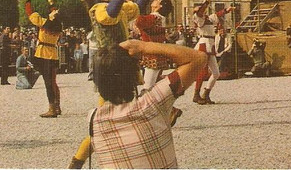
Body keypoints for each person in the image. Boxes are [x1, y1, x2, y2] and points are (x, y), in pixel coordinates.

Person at [70, 0, 162, 169]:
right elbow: (111, 13)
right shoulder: (98, 9)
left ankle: (80, 161)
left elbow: (137, 7)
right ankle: (77, 161)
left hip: (123, 67)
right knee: (106, 121)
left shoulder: (115, 5)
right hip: (110, 70)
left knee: (117, 117)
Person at [88, 39, 206, 169]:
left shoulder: (94, 119)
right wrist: (143, 46)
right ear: (133, 76)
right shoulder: (153, 102)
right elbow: (198, 58)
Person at [191, 0, 234, 104]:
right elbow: (200, 11)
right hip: (204, 44)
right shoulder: (198, 18)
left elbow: (218, 15)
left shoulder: (208, 18)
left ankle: (206, 93)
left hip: (210, 44)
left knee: (216, 73)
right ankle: (196, 94)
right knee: (203, 71)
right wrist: (206, 2)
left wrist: (226, 10)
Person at [24, 0, 63, 118]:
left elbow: (30, 13)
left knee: (48, 83)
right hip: (53, 54)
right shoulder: (58, 26)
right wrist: (51, 2)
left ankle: (52, 108)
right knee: (52, 82)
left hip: (44, 54)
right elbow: (55, 13)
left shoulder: (44, 23)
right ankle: (57, 106)